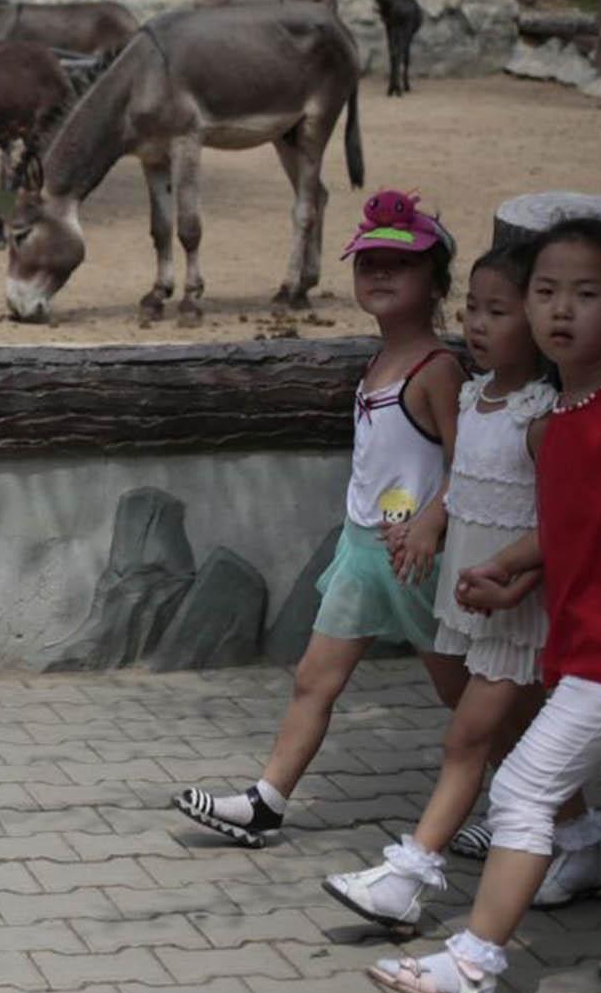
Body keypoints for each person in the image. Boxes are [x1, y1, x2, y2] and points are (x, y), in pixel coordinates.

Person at [370, 217, 601, 993]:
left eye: (587, 293)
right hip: (592, 646)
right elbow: (581, 528)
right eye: (545, 293)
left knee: (525, 789)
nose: (561, 310)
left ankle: (473, 963)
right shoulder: (561, 418)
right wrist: (513, 572)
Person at [323, 246, 601, 927]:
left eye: (499, 311)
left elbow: (561, 523)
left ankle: (407, 876)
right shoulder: (475, 397)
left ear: (536, 322)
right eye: (473, 308)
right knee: (517, 728)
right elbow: (466, 484)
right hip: (471, 600)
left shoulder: (542, 416)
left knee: (467, 741)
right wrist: (429, 524)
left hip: (516, 611)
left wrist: (519, 584)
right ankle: (585, 844)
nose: (479, 324)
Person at [175, 189, 467, 844]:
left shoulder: (436, 368)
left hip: (413, 558)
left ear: (437, 281)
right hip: (364, 553)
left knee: (465, 697)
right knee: (313, 679)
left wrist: (429, 523)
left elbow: (469, 464)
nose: (380, 275)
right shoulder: (378, 363)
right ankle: (267, 800)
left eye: (401, 265)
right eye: (367, 265)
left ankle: (560, 816)